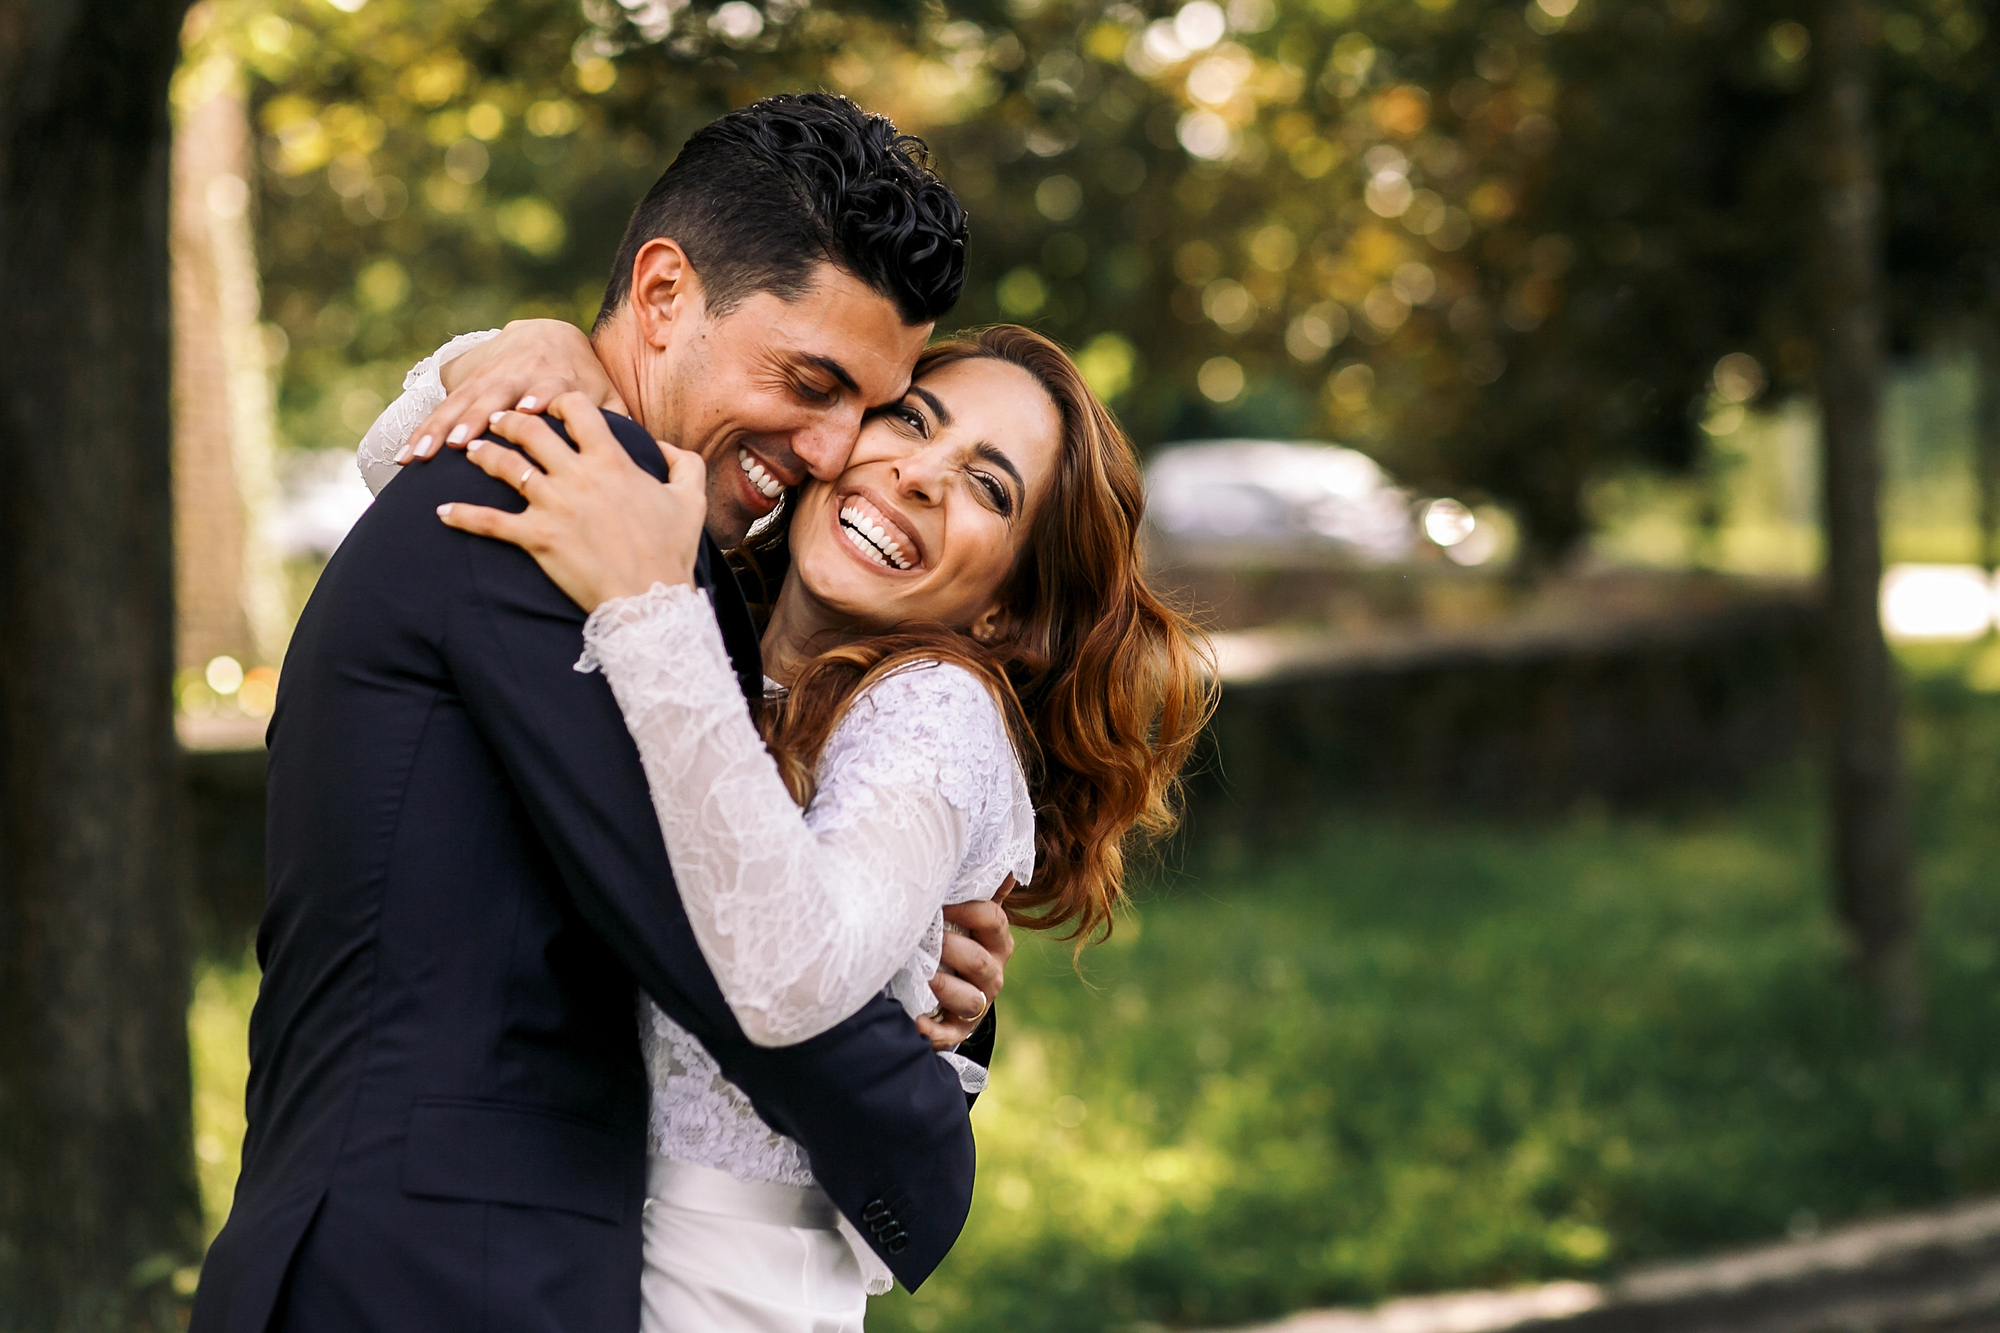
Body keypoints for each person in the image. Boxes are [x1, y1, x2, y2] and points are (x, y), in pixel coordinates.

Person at [190, 94, 1011, 1333]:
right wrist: (925, 1128)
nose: (836, 448)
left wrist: (914, 952)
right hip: (423, 1270)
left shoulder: (616, 519)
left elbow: (715, 854)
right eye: (810, 380)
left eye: (870, 405)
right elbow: (720, 945)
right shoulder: (557, 509)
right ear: (665, 293)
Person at [373, 322, 1214, 1328]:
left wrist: (645, 611)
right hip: (540, 1235)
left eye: (988, 488)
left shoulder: (932, 703)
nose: (917, 475)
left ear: (1004, 611)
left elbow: (792, 971)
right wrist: (525, 348)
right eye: (910, 420)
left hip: (722, 1281)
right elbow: (402, 472)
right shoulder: (701, 618)